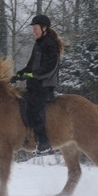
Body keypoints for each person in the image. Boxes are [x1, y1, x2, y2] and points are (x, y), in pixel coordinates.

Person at [12, 14, 64, 155]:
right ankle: (26, 135)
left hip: (44, 85)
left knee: (34, 107)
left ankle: (44, 142)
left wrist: (32, 75)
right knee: (20, 101)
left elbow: (48, 68)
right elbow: (30, 66)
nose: (33, 31)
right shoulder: (39, 44)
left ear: (44, 28)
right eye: (33, 28)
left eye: (35, 28)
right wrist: (19, 75)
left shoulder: (50, 44)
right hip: (35, 84)